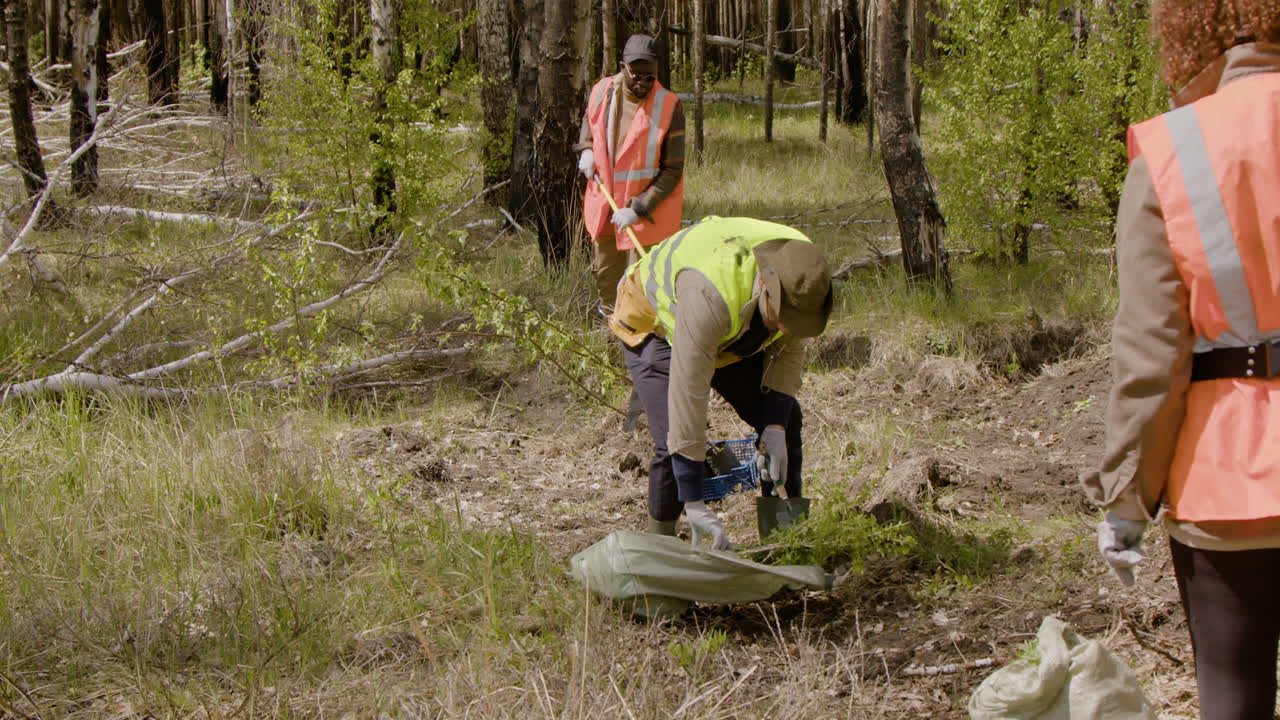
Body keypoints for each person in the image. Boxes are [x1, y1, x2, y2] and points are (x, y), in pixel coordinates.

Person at [1082, 4, 1280, 718]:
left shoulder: (1174, 150)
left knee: (1234, 694)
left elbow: (1150, 356)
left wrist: (1126, 502)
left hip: (1230, 476)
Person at [607, 216, 833, 549]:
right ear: (765, 283)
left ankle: (783, 544)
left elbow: (788, 354)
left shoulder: (802, 270)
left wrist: (774, 427)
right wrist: (694, 500)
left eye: (796, 321)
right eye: (783, 317)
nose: (787, 328)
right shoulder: (709, 295)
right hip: (654, 325)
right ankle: (662, 561)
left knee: (786, 418)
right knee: (673, 442)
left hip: (731, 330)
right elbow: (689, 394)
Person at [574, 34, 685, 311]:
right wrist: (586, 150)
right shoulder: (602, 91)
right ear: (623, 67)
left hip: (648, 218)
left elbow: (673, 170)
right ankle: (612, 349)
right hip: (605, 210)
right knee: (608, 285)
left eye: (649, 77)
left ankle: (643, 351)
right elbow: (590, 122)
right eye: (636, 74)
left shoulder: (669, 106)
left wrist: (637, 209)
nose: (642, 82)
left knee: (644, 293)